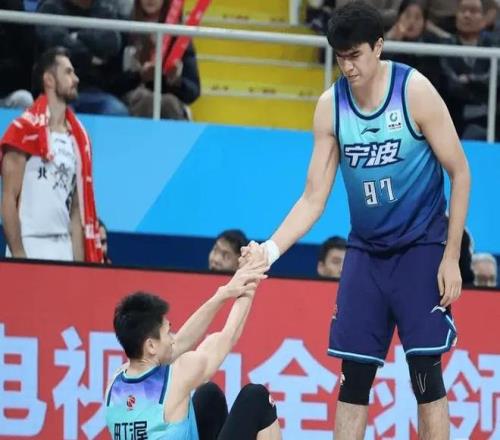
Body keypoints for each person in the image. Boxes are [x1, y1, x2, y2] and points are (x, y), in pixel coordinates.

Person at [241, 1, 471, 438]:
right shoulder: (331, 107)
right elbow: (313, 198)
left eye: (356, 55)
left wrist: (451, 256)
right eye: (340, 57)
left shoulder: (414, 92)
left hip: (421, 248)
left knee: (426, 377)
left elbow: (460, 172)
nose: (348, 67)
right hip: (366, 252)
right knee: (353, 380)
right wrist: (268, 251)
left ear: (378, 47)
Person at [105, 243, 281, 439]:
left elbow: (180, 342)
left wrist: (224, 294)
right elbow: (229, 335)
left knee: (209, 395)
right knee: (256, 397)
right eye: (168, 333)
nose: (173, 340)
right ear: (151, 346)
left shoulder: (115, 384)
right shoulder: (178, 378)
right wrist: (252, 274)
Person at [0, 47, 103, 262]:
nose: (76, 79)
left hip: (63, 247)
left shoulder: (79, 140)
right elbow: (8, 199)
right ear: (49, 80)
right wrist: (19, 255)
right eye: (68, 72)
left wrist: (79, 266)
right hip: (30, 242)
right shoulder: (22, 131)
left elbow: (76, 210)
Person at [35, 0, 129, 116]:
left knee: (116, 110)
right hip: (56, 91)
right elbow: (56, 43)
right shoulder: (50, 7)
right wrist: (89, 58)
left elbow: (111, 42)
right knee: (61, 115)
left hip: (94, 90)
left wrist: (76, 36)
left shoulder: (104, 9)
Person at [111, 0, 200, 119]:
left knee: (169, 103)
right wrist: (139, 76)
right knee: (147, 100)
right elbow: (110, 83)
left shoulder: (178, 34)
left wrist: (175, 81)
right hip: (130, 99)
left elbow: (193, 91)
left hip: (169, 100)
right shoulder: (124, 28)